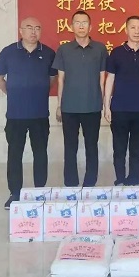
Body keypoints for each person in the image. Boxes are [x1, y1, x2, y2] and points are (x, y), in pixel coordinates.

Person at [0, 17, 57, 209]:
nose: (33, 32)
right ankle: (15, 193)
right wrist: (13, 92)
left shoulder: (48, 53)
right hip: (16, 114)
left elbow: (52, 79)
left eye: (37, 28)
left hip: (40, 114)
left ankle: (40, 191)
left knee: (41, 153)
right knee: (15, 154)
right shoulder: (8, 52)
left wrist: (38, 91)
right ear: (21, 31)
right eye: (29, 28)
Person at [52, 10, 108, 187]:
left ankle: (90, 184)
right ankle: (71, 184)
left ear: (91, 26)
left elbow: (102, 79)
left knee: (92, 146)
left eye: (85, 22)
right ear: (72, 26)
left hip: (92, 106)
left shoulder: (100, 49)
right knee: (70, 147)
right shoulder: (64, 50)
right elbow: (60, 79)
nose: (81, 26)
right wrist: (59, 105)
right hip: (69, 107)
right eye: (77, 22)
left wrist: (103, 103)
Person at [104, 16, 139, 186]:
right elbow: (110, 79)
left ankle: (134, 182)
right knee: (119, 149)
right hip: (119, 109)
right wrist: (106, 106)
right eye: (133, 27)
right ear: (126, 30)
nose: (136, 31)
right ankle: (119, 179)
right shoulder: (116, 53)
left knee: (137, 150)